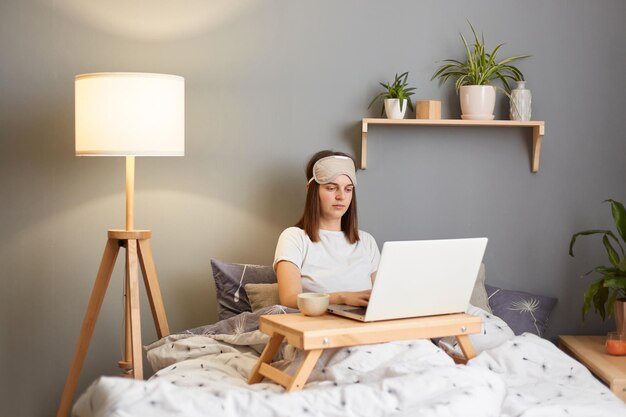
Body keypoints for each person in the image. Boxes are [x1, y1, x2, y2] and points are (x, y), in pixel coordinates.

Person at [273, 150, 380, 309]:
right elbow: (289, 299)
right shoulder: (294, 238)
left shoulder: (367, 241)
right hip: (321, 328)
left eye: (348, 189)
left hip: (367, 326)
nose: (341, 196)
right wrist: (342, 298)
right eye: (331, 188)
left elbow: (381, 296)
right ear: (311, 189)